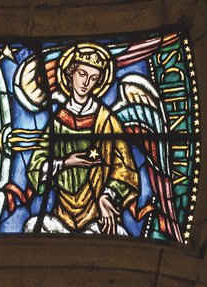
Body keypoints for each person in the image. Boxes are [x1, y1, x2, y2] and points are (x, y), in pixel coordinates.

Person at [25, 42, 138, 234]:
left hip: (96, 216)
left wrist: (106, 197)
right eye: (82, 74)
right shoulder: (58, 120)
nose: (86, 83)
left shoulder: (106, 120)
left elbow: (124, 169)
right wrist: (65, 163)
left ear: (99, 82)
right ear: (70, 74)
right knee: (32, 227)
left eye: (93, 78)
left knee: (119, 235)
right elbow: (37, 165)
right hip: (60, 215)